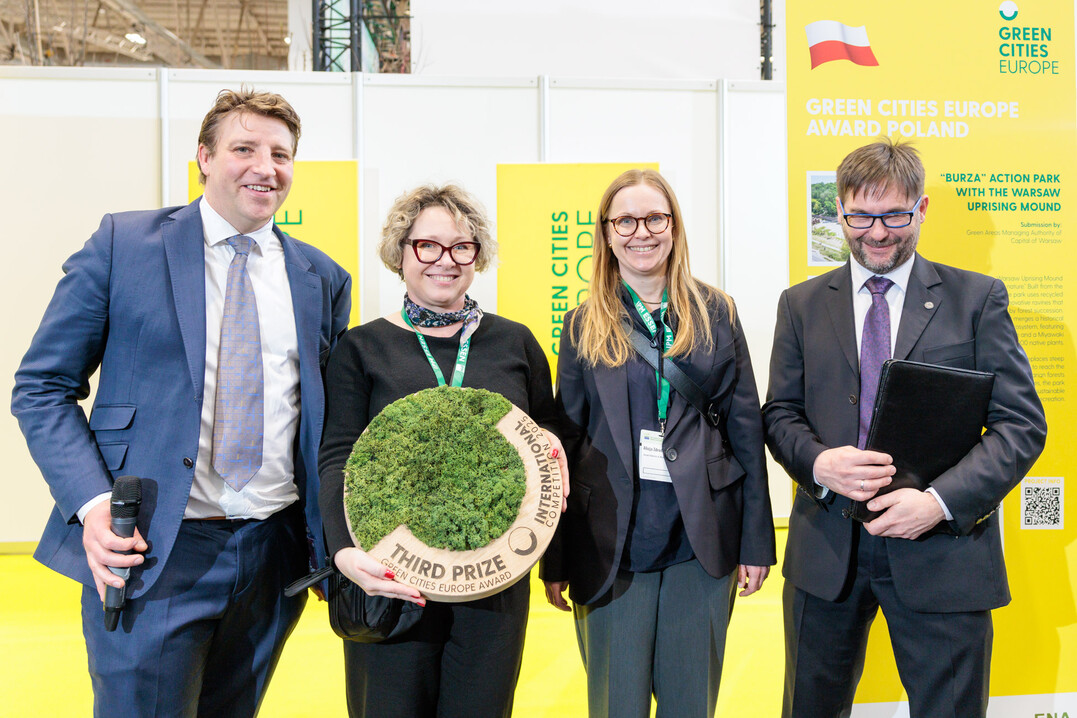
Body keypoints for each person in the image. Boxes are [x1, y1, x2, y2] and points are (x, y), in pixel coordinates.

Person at [11, 88, 351, 716]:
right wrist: (91, 505)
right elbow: (42, 388)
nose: (265, 167)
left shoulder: (320, 278)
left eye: (281, 154)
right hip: (152, 551)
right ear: (204, 156)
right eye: (243, 148)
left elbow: (324, 420)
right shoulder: (124, 244)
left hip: (273, 556)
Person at [763, 138, 1047, 717]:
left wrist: (939, 502)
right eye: (860, 216)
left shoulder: (977, 300)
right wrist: (818, 463)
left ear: (920, 209)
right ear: (839, 211)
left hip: (943, 551)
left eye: (894, 215)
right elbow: (779, 414)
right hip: (827, 555)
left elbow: (1021, 425)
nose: (877, 232)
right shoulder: (801, 305)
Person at [318, 183, 569, 718]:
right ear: (401, 252)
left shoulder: (514, 342)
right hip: (390, 578)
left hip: (493, 581)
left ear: (477, 256)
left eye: (462, 247)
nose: (445, 261)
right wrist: (343, 551)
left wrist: (552, 443)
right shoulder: (362, 348)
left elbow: (546, 431)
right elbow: (338, 455)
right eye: (427, 246)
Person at [540, 168, 776, 718]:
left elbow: (746, 428)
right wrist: (556, 557)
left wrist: (756, 542)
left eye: (654, 218)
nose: (640, 232)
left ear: (674, 227)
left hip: (703, 537)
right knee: (615, 703)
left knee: (691, 704)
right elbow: (565, 449)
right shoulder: (581, 326)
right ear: (606, 231)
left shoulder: (718, 313)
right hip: (611, 544)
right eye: (625, 219)